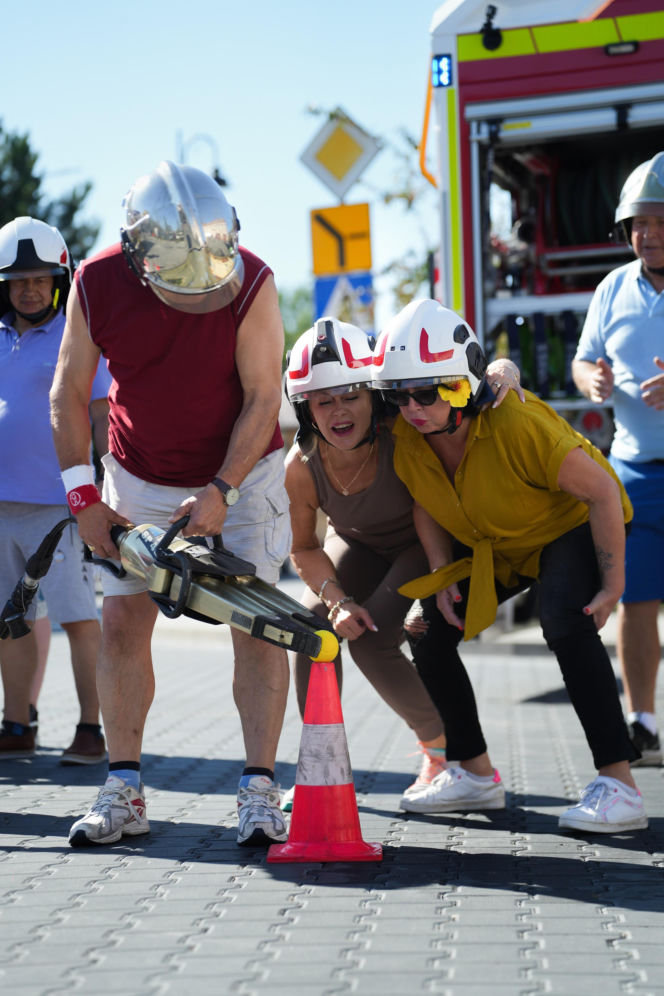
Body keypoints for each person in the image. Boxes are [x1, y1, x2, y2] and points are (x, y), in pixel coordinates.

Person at [50, 162, 291, 848]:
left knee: (260, 626)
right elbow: (67, 394)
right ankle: (123, 791)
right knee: (122, 623)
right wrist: (83, 497)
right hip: (137, 475)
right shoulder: (96, 283)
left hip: (242, 473)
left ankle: (258, 791)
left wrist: (221, 490)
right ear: (137, 256)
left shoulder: (255, 281)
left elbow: (262, 398)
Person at [371, 297, 647, 834]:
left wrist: (613, 584)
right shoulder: (409, 433)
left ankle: (620, 787)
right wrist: (442, 574)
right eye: (398, 395)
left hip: (568, 526)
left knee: (565, 620)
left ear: (460, 385)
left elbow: (602, 494)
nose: (411, 408)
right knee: (425, 627)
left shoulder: (515, 422)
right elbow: (425, 500)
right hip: (497, 543)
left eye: (425, 392)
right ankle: (474, 774)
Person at [283, 316, 522, 809]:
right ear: (305, 408)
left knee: (373, 643)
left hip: (421, 542)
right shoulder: (300, 465)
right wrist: (338, 600)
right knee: (309, 628)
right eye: (323, 400)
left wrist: (503, 367)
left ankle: (443, 752)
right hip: (358, 544)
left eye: (351, 395)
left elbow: (465, 381)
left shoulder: (405, 424)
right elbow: (304, 547)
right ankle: (320, 765)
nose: (338, 411)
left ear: (375, 395)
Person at [0, 216, 109, 765]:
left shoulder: (76, 335)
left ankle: (91, 729)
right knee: (10, 619)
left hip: (61, 505)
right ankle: (17, 723)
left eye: (39, 278)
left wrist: (104, 482)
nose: (29, 288)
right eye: (17, 280)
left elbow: (100, 414)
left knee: (78, 617)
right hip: (1, 506)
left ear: (57, 280)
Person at [573, 151, 664, 766]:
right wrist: (592, 382)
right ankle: (644, 724)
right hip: (634, 469)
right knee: (636, 600)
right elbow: (584, 360)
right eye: (638, 224)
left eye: (659, 222)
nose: (648, 235)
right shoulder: (613, 288)